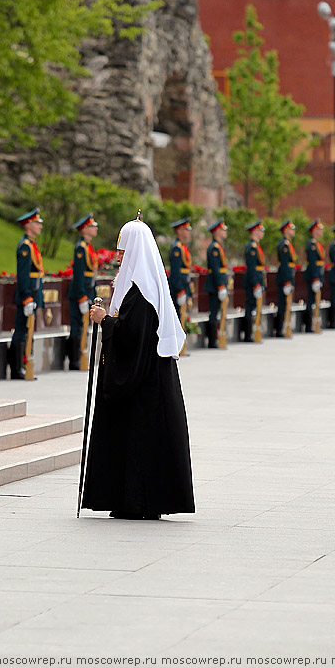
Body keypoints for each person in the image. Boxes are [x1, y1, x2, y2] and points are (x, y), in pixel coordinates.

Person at [83, 217, 195, 520]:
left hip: (143, 382)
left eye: (123, 252)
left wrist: (104, 320)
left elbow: (133, 335)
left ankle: (138, 501)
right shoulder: (137, 285)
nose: (119, 258)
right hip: (147, 377)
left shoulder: (141, 290)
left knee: (140, 438)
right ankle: (130, 499)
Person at [8, 208, 44, 379]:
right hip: (27, 295)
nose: (40, 226)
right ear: (29, 225)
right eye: (37, 223)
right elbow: (23, 275)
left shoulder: (31, 245)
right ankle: (17, 368)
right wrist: (27, 297)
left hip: (33, 293)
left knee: (28, 331)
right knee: (21, 331)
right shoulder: (25, 246)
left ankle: (24, 364)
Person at [67, 214, 99, 370]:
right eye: (93, 226)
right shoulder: (81, 247)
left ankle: (80, 357)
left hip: (87, 292)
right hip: (80, 293)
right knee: (77, 326)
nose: (96, 228)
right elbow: (79, 274)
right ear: (85, 229)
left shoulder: (88, 247)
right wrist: (81, 297)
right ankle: (74, 360)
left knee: (83, 326)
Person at [205, 219, 228, 349]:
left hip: (218, 284)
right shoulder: (214, 248)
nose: (225, 232)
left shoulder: (218, 247)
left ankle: (214, 339)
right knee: (213, 312)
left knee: (217, 311)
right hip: (214, 285)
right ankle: (212, 341)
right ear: (217, 232)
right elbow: (215, 269)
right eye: (223, 230)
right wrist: (220, 285)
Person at [243, 219, 266, 342]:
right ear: (255, 232)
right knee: (250, 307)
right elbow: (252, 268)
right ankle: (248, 334)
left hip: (257, 280)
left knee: (255, 307)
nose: (262, 233)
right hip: (252, 282)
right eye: (260, 230)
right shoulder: (251, 247)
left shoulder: (256, 246)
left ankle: (252, 332)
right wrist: (256, 284)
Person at [274, 220, 297, 337]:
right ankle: (279, 329)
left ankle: (283, 327)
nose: (293, 231)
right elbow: (284, 265)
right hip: (284, 279)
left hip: (288, 278)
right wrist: (287, 281)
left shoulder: (288, 244)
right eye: (291, 229)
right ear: (286, 230)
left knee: (285, 304)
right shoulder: (284, 245)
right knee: (282, 305)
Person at [168, 218, 193, 319]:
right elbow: (175, 272)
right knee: (177, 316)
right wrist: (180, 290)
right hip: (178, 288)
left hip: (184, 285)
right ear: (179, 231)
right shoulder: (176, 248)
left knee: (182, 316)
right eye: (186, 229)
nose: (188, 232)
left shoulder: (182, 247)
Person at [303, 219, 325, 333]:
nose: (321, 231)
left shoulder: (316, 244)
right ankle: (308, 325)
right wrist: (316, 278)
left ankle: (313, 324)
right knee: (311, 301)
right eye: (319, 229)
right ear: (314, 230)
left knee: (315, 301)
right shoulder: (312, 244)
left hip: (317, 275)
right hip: (313, 276)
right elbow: (312, 262)